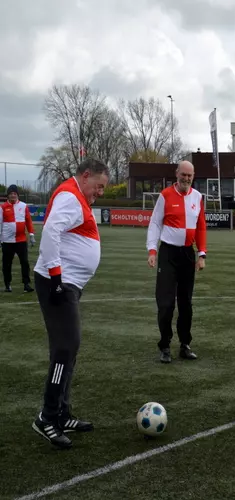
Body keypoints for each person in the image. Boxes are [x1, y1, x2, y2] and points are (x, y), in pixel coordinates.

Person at [31, 158, 109, 449]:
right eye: (99, 186)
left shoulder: (76, 196)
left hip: (67, 284)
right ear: (86, 176)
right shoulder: (71, 195)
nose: (99, 192)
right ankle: (48, 417)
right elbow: (50, 231)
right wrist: (55, 277)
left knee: (68, 348)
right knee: (66, 346)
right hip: (58, 284)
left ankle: (61, 413)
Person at [147, 161, 206, 363]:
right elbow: (155, 223)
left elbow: (201, 227)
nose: (186, 178)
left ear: (193, 175)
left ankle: (185, 344)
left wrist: (202, 254)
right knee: (165, 304)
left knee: (186, 304)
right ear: (176, 174)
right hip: (168, 254)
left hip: (187, 255)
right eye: (183, 174)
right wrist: (152, 250)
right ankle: (164, 345)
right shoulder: (165, 196)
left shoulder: (198, 197)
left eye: (190, 175)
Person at [1, 184, 35, 292]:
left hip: (21, 240)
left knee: (24, 262)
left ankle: (26, 284)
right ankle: (7, 284)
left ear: (17, 195)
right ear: (8, 195)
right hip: (7, 241)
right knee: (6, 263)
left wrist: (31, 234)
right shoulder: (2, 207)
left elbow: (28, 221)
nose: (13, 195)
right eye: (11, 194)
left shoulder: (24, 206)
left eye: (15, 194)